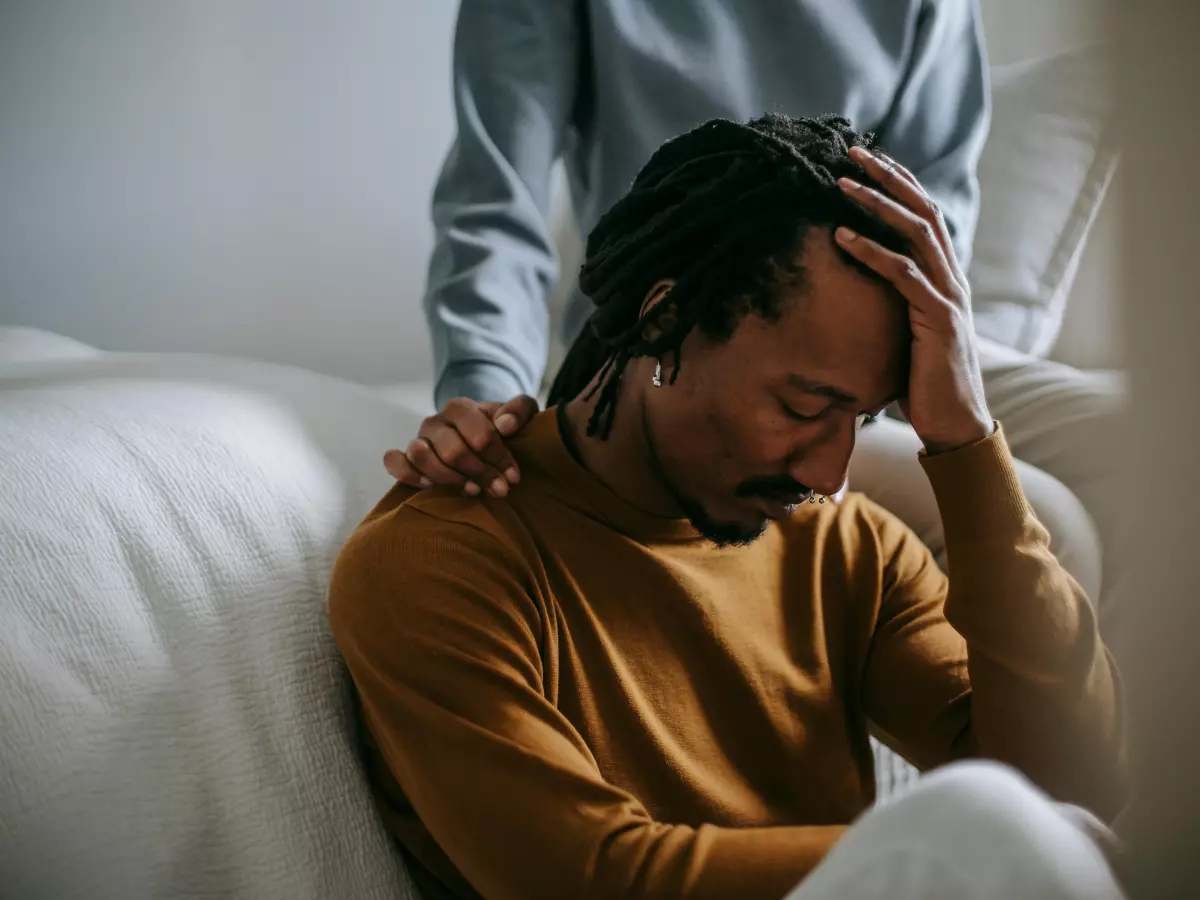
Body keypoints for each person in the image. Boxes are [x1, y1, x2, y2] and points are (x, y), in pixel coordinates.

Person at [333, 115, 1127, 900]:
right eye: (803, 403)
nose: (831, 468)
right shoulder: (443, 562)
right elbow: (592, 881)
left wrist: (965, 437)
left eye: (866, 418)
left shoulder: (851, 549)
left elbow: (1073, 784)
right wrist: (956, 855)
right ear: (664, 317)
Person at [395, 0, 1126, 625]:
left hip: (879, 341)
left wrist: (925, 392)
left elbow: (936, 198)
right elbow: (495, 202)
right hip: (691, 340)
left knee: (1143, 452)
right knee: (1053, 524)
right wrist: (486, 395)